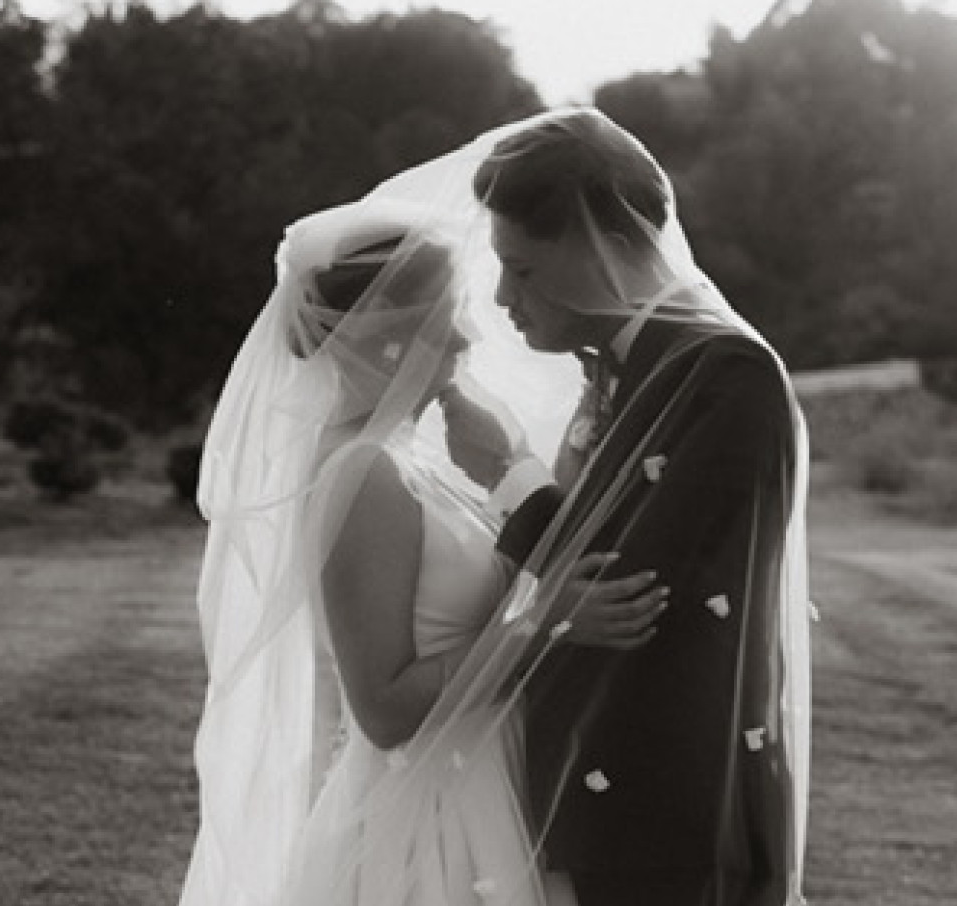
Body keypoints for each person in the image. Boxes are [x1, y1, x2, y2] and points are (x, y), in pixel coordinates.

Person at [177, 195, 664, 906]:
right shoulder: (361, 471)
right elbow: (383, 707)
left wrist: (512, 467)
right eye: (449, 317)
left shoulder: (410, 458)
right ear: (390, 336)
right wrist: (544, 625)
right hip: (430, 818)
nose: (468, 337)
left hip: (482, 782)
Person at [439, 109, 813, 905]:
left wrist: (508, 475)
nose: (504, 297)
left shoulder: (724, 372)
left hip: (667, 803)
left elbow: (629, 589)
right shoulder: (626, 365)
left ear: (601, 245)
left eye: (524, 271)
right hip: (594, 784)